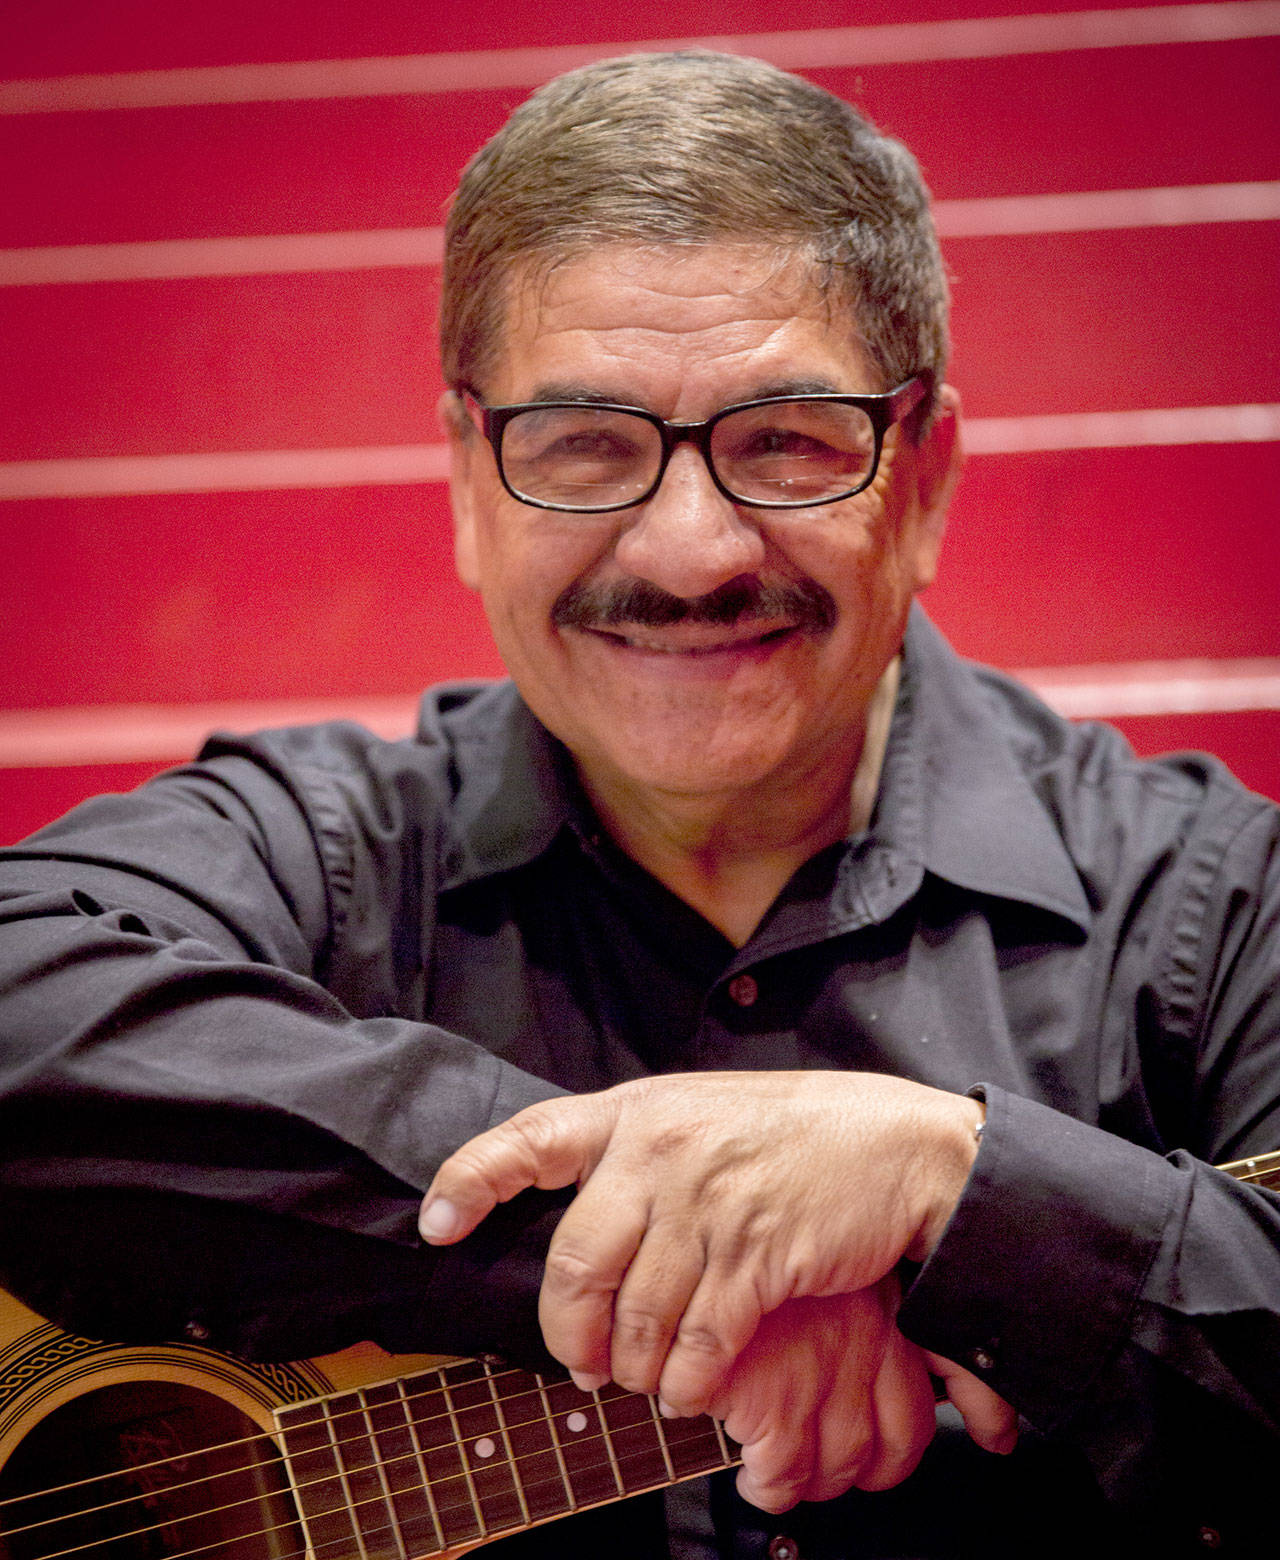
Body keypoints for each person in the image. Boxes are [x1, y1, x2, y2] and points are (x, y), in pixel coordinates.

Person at [1, 48, 1278, 1560]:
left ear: (923, 480)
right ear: (471, 488)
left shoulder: (1210, 909)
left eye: (788, 440)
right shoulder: (323, 853)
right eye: (585, 446)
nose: (686, 551)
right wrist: (639, 1233)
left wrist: (959, 1190)